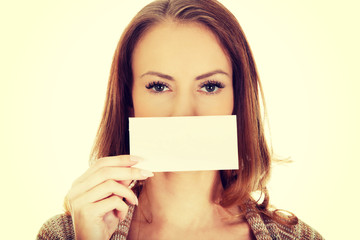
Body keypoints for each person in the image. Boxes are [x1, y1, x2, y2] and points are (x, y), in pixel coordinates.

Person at [37, 0, 323, 239]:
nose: (184, 113)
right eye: (159, 86)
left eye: (210, 86)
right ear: (129, 101)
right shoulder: (66, 235)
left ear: (238, 99)